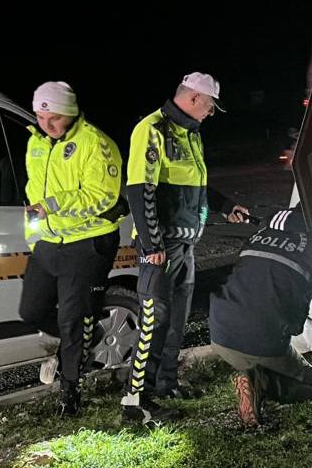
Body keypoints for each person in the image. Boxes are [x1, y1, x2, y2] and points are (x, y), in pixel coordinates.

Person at [121, 72, 249, 423]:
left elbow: (196, 186)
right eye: (210, 105)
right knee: (154, 319)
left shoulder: (190, 134)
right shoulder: (152, 129)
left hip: (186, 245)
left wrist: (225, 206)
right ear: (194, 98)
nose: (211, 112)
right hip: (162, 246)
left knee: (177, 319)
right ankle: (136, 401)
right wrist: (152, 244)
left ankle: (166, 384)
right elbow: (139, 189)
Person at [19, 81, 126, 416]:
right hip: (49, 244)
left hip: (86, 245)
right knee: (31, 311)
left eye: (53, 117)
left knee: (70, 319)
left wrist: (51, 206)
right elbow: (32, 191)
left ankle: (70, 394)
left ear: (70, 110)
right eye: (40, 115)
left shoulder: (95, 143)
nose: (45, 124)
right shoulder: (35, 142)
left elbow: (101, 196)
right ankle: (81, 338)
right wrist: (34, 235)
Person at [209, 205, 312, 427]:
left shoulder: (259, 236)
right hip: (265, 340)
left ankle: (251, 373)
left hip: (220, 334)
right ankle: (260, 382)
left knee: (257, 355)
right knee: (310, 385)